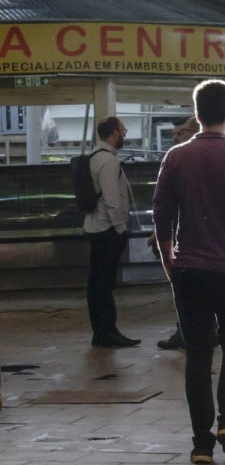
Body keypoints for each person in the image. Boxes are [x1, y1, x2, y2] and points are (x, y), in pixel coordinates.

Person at [152, 79, 225, 464]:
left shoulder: (176, 157)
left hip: (189, 271)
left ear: (197, 113)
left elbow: (162, 214)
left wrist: (170, 261)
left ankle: (201, 443)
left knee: (198, 356)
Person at [84, 116, 140, 348]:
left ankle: (99, 332)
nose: (124, 135)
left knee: (96, 282)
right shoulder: (109, 161)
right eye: (123, 131)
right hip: (108, 229)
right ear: (115, 132)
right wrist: (121, 228)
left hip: (95, 226)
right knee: (105, 284)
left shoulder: (94, 157)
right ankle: (108, 331)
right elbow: (112, 199)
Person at [155, 116, 200, 351]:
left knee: (187, 291)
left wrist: (161, 234)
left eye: (180, 132)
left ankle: (186, 333)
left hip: (188, 240)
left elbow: (167, 204)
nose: (175, 136)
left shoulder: (179, 161)